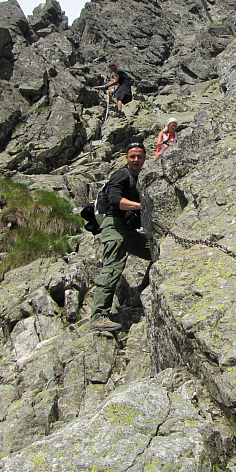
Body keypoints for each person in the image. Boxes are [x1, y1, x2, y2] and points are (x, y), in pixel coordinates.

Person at [89, 142, 151, 332]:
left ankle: (140, 294)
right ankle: (99, 315)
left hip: (128, 231)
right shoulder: (122, 174)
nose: (136, 160)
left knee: (158, 252)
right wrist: (141, 206)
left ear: (144, 158)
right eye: (132, 156)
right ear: (126, 157)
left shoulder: (138, 179)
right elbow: (114, 199)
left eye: (139, 156)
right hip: (114, 227)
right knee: (112, 267)